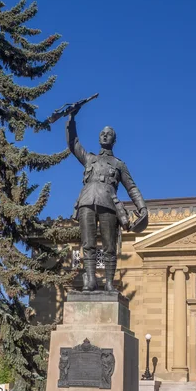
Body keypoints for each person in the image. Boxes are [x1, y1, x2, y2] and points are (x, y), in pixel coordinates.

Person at [66, 107, 147, 292]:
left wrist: (142, 207)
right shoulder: (89, 159)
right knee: (88, 244)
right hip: (86, 201)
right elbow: (73, 143)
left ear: (114, 139)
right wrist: (71, 119)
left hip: (109, 204)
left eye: (108, 134)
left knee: (110, 246)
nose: (104, 136)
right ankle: (90, 281)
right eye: (102, 133)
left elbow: (131, 187)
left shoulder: (119, 164)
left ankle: (109, 283)